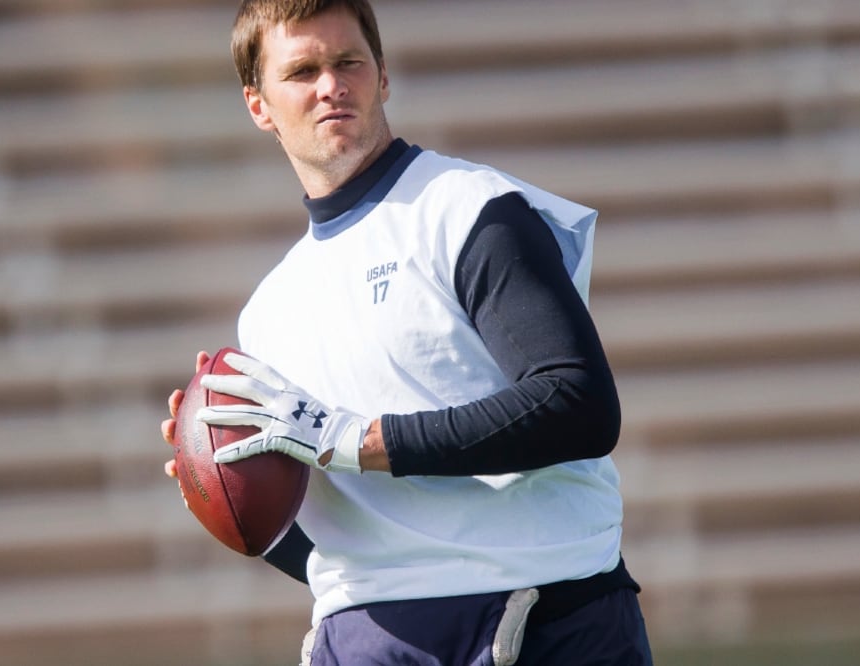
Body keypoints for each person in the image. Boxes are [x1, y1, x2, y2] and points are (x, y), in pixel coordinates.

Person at [161, 1, 653, 664]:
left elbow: (578, 406)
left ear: (382, 76)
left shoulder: (467, 209)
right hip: (366, 638)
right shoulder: (266, 313)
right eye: (302, 70)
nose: (330, 85)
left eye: (347, 63)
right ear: (259, 106)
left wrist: (354, 440)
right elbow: (347, 548)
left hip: (541, 615)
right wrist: (226, 491)